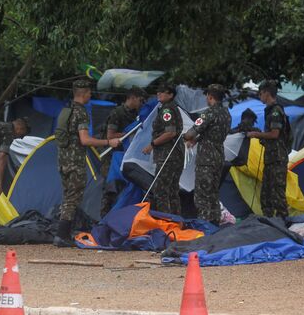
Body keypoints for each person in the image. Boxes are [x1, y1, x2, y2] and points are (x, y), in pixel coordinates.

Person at [53, 80, 121, 247]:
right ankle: (61, 236)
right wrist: (107, 142)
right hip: (75, 162)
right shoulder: (81, 113)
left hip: (63, 161)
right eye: (89, 93)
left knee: (67, 196)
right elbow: (84, 140)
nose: (91, 95)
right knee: (72, 198)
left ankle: (64, 233)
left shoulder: (66, 110)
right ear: (83, 93)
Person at [184, 84, 231, 226]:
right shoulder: (226, 114)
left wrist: (186, 137)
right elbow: (212, 133)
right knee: (213, 193)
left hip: (206, 159)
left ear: (210, 96)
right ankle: (215, 224)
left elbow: (191, 133)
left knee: (202, 195)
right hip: (218, 157)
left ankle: (204, 226)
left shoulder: (208, 113)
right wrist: (198, 139)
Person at [246, 81, 292, 218]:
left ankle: (283, 221)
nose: (259, 96)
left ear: (266, 93)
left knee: (278, 193)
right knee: (266, 194)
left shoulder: (276, 111)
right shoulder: (270, 111)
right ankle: (270, 221)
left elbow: (275, 134)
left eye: (260, 93)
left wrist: (256, 134)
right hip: (271, 158)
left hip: (277, 158)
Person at [98, 87, 145, 216]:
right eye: (140, 100)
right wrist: (128, 133)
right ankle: (104, 218)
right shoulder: (117, 113)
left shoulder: (136, 114)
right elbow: (110, 136)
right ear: (133, 98)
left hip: (124, 155)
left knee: (125, 189)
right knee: (110, 189)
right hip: (111, 156)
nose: (141, 103)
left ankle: (118, 216)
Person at [141, 83, 183, 216]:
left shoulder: (167, 110)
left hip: (168, 156)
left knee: (161, 190)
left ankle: (166, 221)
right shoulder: (170, 108)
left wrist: (152, 145)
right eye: (158, 91)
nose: (159, 94)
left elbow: (170, 133)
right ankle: (176, 220)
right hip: (175, 155)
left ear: (170, 95)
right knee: (172, 190)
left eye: (163, 91)